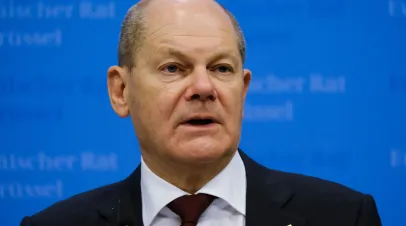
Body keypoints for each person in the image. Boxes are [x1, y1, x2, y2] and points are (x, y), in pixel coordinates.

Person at [20, 0, 382, 225]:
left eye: (221, 68)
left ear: (243, 89)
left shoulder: (343, 216)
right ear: (121, 91)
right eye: (173, 68)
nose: (204, 88)